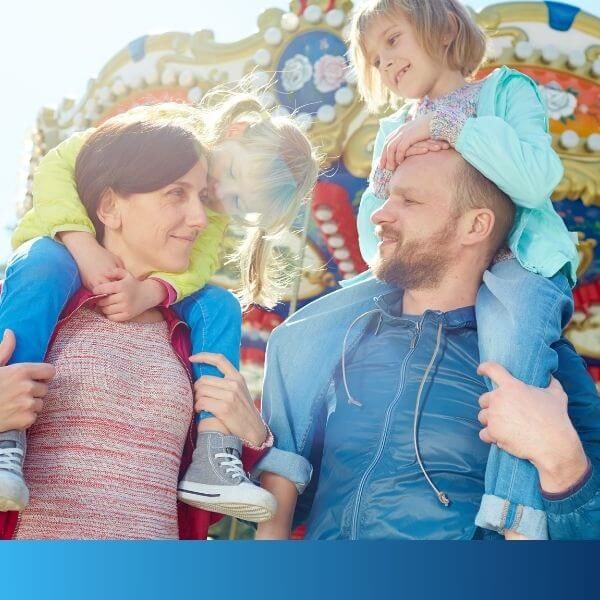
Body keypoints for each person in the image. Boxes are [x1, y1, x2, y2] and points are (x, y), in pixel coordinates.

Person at [0, 95, 319, 522]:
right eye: (175, 193)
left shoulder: (186, 323)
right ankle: (6, 438)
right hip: (60, 245)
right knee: (43, 260)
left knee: (220, 303)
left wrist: (251, 435)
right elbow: (60, 165)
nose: (209, 208)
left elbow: (200, 266)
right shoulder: (165, 129)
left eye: (237, 203)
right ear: (111, 204)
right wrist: (80, 241)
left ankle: (214, 449)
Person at [252, 149, 600, 540]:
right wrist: (248, 438)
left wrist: (563, 460)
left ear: (475, 226)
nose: (379, 214)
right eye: (387, 198)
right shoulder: (343, 340)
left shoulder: (542, 365)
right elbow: (293, 496)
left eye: (409, 200)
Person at [344, 0, 579, 539]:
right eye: (375, 57)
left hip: (516, 262)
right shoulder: (392, 131)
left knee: (516, 346)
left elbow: (535, 178)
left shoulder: (502, 93)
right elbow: (371, 235)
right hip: (436, 276)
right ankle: (286, 469)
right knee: (305, 331)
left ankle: (514, 513)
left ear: (445, 27)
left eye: (393, 40)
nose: (385, 62)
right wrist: (389, 181)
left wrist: (449, 125)